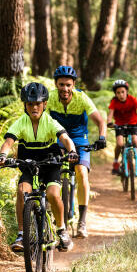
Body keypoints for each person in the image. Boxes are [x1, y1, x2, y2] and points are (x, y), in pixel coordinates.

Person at [0, 82, 78, 253]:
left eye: (38, 103)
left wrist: (72, 151)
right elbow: (8, 142)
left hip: (50, 164)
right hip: (29, 165)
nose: (34, 107)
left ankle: (62, 230)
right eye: (30, 104)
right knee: (21, 191)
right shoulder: (20, 123)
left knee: (53, 194)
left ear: (44, 104)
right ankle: (21, 235)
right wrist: (3, 156)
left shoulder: (50, 122)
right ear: (25, 105)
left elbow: (65, 139)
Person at [47, 66, 107, 239]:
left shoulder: (82, 98)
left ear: (73, 84)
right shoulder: (50, 98)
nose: (65, 89)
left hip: (80, 139)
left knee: (81, 173)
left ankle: (82, 222)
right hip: (58, 137)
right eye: (61, 85)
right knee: (50, 171)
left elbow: (101, 122)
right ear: (56, 84)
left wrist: (102, 138)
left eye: (68, 85)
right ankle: (51, 212)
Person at [106, 79, 137, 177]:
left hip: (132, 124)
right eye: (118, 93)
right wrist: (109, 122)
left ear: (126, 92)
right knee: (120, 143)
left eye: (123, 92)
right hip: (119, 125)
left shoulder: (132, 99)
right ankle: (116, 163)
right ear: (115, 94)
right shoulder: (114, 102)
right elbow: (110, 114)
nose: (121, 94)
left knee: (135, 141)